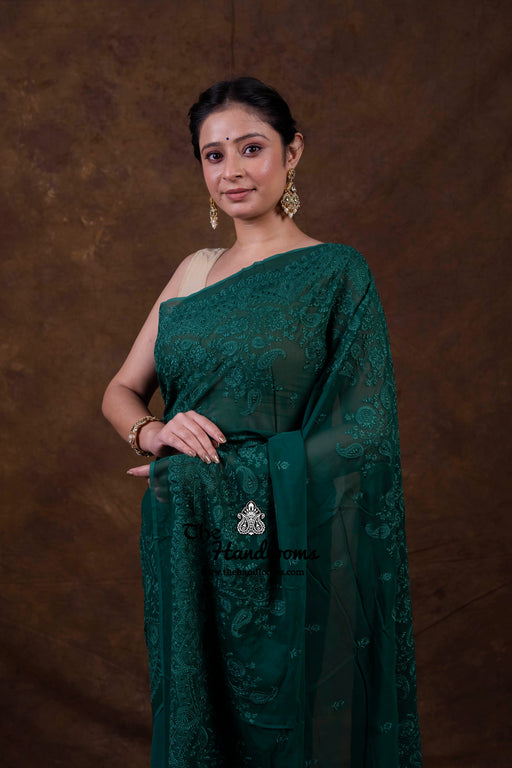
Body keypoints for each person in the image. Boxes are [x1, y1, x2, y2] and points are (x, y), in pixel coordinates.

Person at [102, 76, 422, 768]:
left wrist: (229, 471)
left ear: (292, 152)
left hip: (293, 541)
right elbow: (122, 389)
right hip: (188, 532)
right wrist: (153, 434)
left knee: (290, 721)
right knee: (199, 715)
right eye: (214, 155)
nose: (233, 171)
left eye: (252, 148)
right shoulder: (193, 272)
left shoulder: (336, 273)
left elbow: (364, 432)